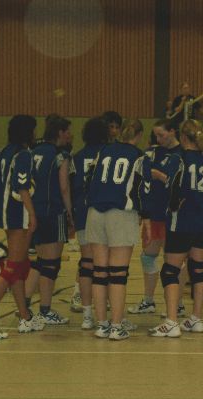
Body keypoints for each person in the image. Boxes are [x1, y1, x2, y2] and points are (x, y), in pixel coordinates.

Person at [0, 115, 44, 339]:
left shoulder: (4, 151)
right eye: (33, 129)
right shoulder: (23, 154)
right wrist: (32, 214)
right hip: (17, 215)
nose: (35, 133)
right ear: (27, 132)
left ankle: (25, 317)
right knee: (12, 267)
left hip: (7, 213)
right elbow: (21, 187)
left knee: (21, 266)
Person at [148, 119, 203, 337]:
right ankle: (196, 319)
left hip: (182, 219)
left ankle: (171, 321)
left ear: (183, 137)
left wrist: (168, 193)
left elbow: (172, 183)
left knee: (170, 270)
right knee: (198, 268)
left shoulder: (178, 158)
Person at [86, 119, 144, 341]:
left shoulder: (103, 150)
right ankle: (117, 326)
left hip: (95, 212)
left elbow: (89, 179)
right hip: (120, 212)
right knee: (118, 274)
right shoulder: (139, 156)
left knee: (100, 272)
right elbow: (142, 188)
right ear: (138, 135)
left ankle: (102, 324)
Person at [128, 118, 187, 316]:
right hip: (153, 214)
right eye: (155, 135)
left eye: (161, 135)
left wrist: (160, 177)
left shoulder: (183, 154)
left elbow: (182, 184)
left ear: (172, 132)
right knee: (148, 257)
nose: (158, 139)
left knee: (176, 261)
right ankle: (148, 301)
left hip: (174, 215)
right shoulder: (152, 152)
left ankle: (178, 304)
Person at [23, 115, 74, 325]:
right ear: (60, 133)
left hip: (34, 211)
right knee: (51, 264)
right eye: (68, 131)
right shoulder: (60, 156)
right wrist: (71, 214)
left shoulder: (33, 151)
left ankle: (24, 305)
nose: (70, 135)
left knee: (40, 261)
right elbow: (64, 187)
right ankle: (45, 310)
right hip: (53, 211)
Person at [69, 117, 109, 329]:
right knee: (106, 264)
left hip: (83, 213)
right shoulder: (109, 154)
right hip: (104, 212)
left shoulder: (77, 157)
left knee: (87, 263)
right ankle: (106, 312)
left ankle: (87, 315)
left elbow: (71, 187)